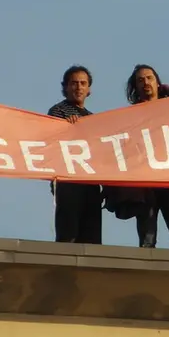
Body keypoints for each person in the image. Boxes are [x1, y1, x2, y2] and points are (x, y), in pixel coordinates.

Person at [124, 64, 169, 249]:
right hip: (145, 186)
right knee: (147, 242)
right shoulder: (130, 115)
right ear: (135, 87)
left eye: (149, 78)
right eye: (140, 80)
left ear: (157, 82)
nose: (145, 83)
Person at [47, 65, 103, 244]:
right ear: (65, 87)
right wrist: (68, 128)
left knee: (92, 239)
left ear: (89, 90)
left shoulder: (95, 119)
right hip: (68, 182)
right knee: (68, 236)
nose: (78, 87)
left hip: (91, 184)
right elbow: (51, 142)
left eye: (83, 83)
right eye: (74, 83)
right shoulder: (58, 111)